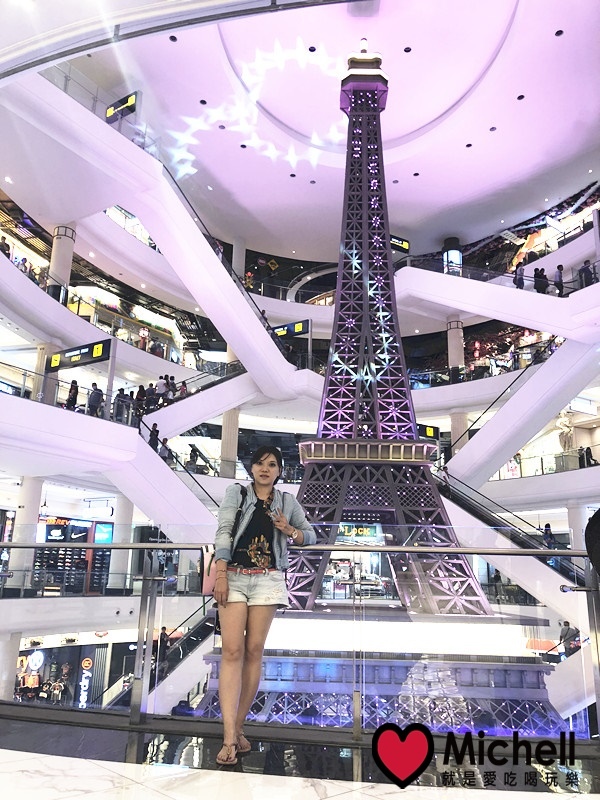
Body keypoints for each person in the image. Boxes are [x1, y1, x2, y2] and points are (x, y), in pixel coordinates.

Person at [212, 446, 317, 766]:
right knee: (232, 651)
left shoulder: (287, 502)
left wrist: (290, 530)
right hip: (233, 576)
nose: (265, 469)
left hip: (268, 580)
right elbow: (224, 530)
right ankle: (229, 737)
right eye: (259, 463)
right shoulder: (237, 494)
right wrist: (220, 574)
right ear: (251, 467)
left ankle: (237, 727)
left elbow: (310, 536)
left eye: (272, 464)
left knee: (254, 651)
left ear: (280, 471)